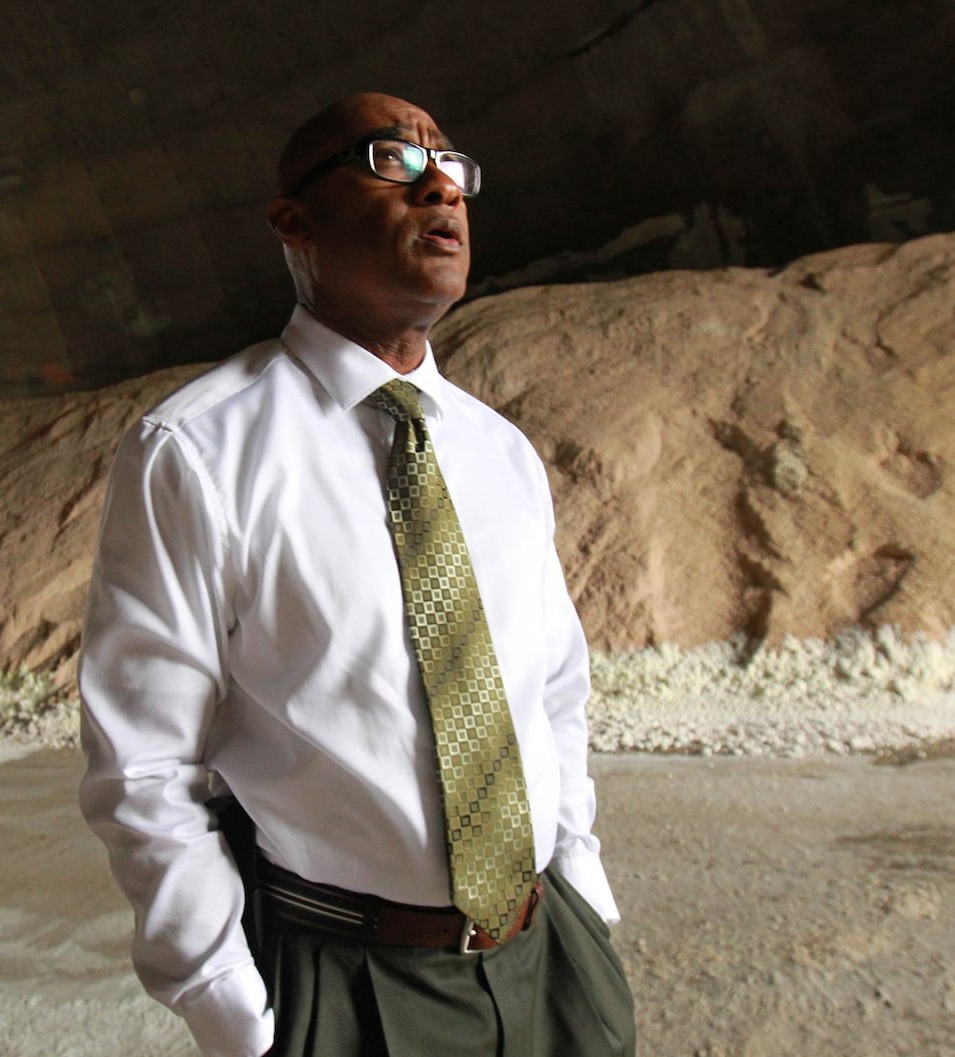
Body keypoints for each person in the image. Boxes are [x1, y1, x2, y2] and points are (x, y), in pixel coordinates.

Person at [79, 93, 635, 1057]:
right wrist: (228, 1002)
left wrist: (580, 880)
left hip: (547, 957)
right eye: (390, 160)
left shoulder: (498, 451)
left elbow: (551, 694)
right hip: (347, 982)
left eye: (452, 166)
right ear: (293, 222)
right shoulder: (196, 453)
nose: (440, 188)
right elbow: (144, 762)